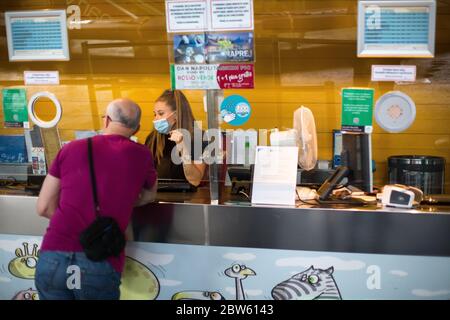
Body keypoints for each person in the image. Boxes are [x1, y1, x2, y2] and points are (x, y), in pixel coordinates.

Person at [35, 98, 157, 300]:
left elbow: (44, 207)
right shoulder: (142, 155)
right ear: (137, 129)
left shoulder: (70, 149)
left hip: (53, 256)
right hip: (99, 258)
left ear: (106, 120)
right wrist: (123, 201)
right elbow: (150, 195)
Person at [145, 89, 206, 187]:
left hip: (187, 198)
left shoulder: (198, 137)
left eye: (160, 113)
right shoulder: (153, 138)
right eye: (155, 114)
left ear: (176, 115)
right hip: (156, 196)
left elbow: (195, 180)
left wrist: (183, 147)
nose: (155, 119)